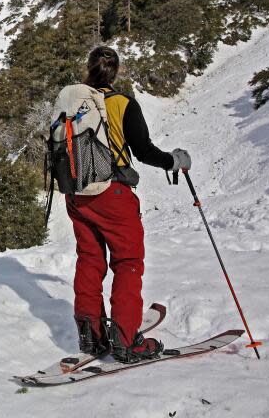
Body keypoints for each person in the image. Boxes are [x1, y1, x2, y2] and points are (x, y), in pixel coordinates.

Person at [66, 46, 191, 363]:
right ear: (115, 71)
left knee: (90, 259)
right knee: (128, 262)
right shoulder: (123, 103)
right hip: (113, 195)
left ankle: (91, 336)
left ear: (89, 69)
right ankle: (125, 341)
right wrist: (173, 162)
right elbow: (145, 151)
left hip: (77, 194)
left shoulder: (72, 103)